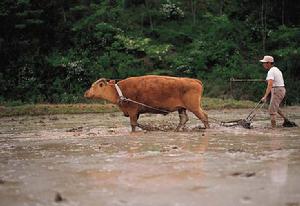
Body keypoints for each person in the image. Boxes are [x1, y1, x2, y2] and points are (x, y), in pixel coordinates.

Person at [260, 55, 289, 128]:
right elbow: (273, 82)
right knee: (275, 107)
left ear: (269, 63)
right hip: (280, 89)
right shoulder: (276, 69)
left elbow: (270, 85)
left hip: (277, 90)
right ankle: (287, 120)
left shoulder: (271, 71)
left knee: (271, 111)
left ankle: (274, 130)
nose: (263, 64)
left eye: (264, 63)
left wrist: (265, 96)